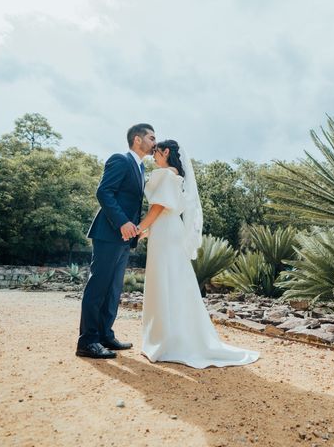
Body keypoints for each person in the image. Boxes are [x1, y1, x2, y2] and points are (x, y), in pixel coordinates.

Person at [137, 139, 259, 368]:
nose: (153, 156)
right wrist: (148, 231)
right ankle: (173, 337)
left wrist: (139, 227)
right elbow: (167, 210)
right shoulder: (178, 179)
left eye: (156, 152)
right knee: (173, 280)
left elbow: (158, 208)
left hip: (165, 233)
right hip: (170, 230)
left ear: (166, 152)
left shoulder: (165, 175)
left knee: (163, 281)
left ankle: (163, 341)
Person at [76, 124, 156, 359]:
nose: (155, 142)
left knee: (113, 289)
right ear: (137, 140)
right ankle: (87, 341)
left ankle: (105, 335)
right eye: (151, 137)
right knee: (98, 287)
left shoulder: (140, 169)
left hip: (125, 238)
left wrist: (137, 229)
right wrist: (122, 222)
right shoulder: (120, 160)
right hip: (108, 234)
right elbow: (104, 192)